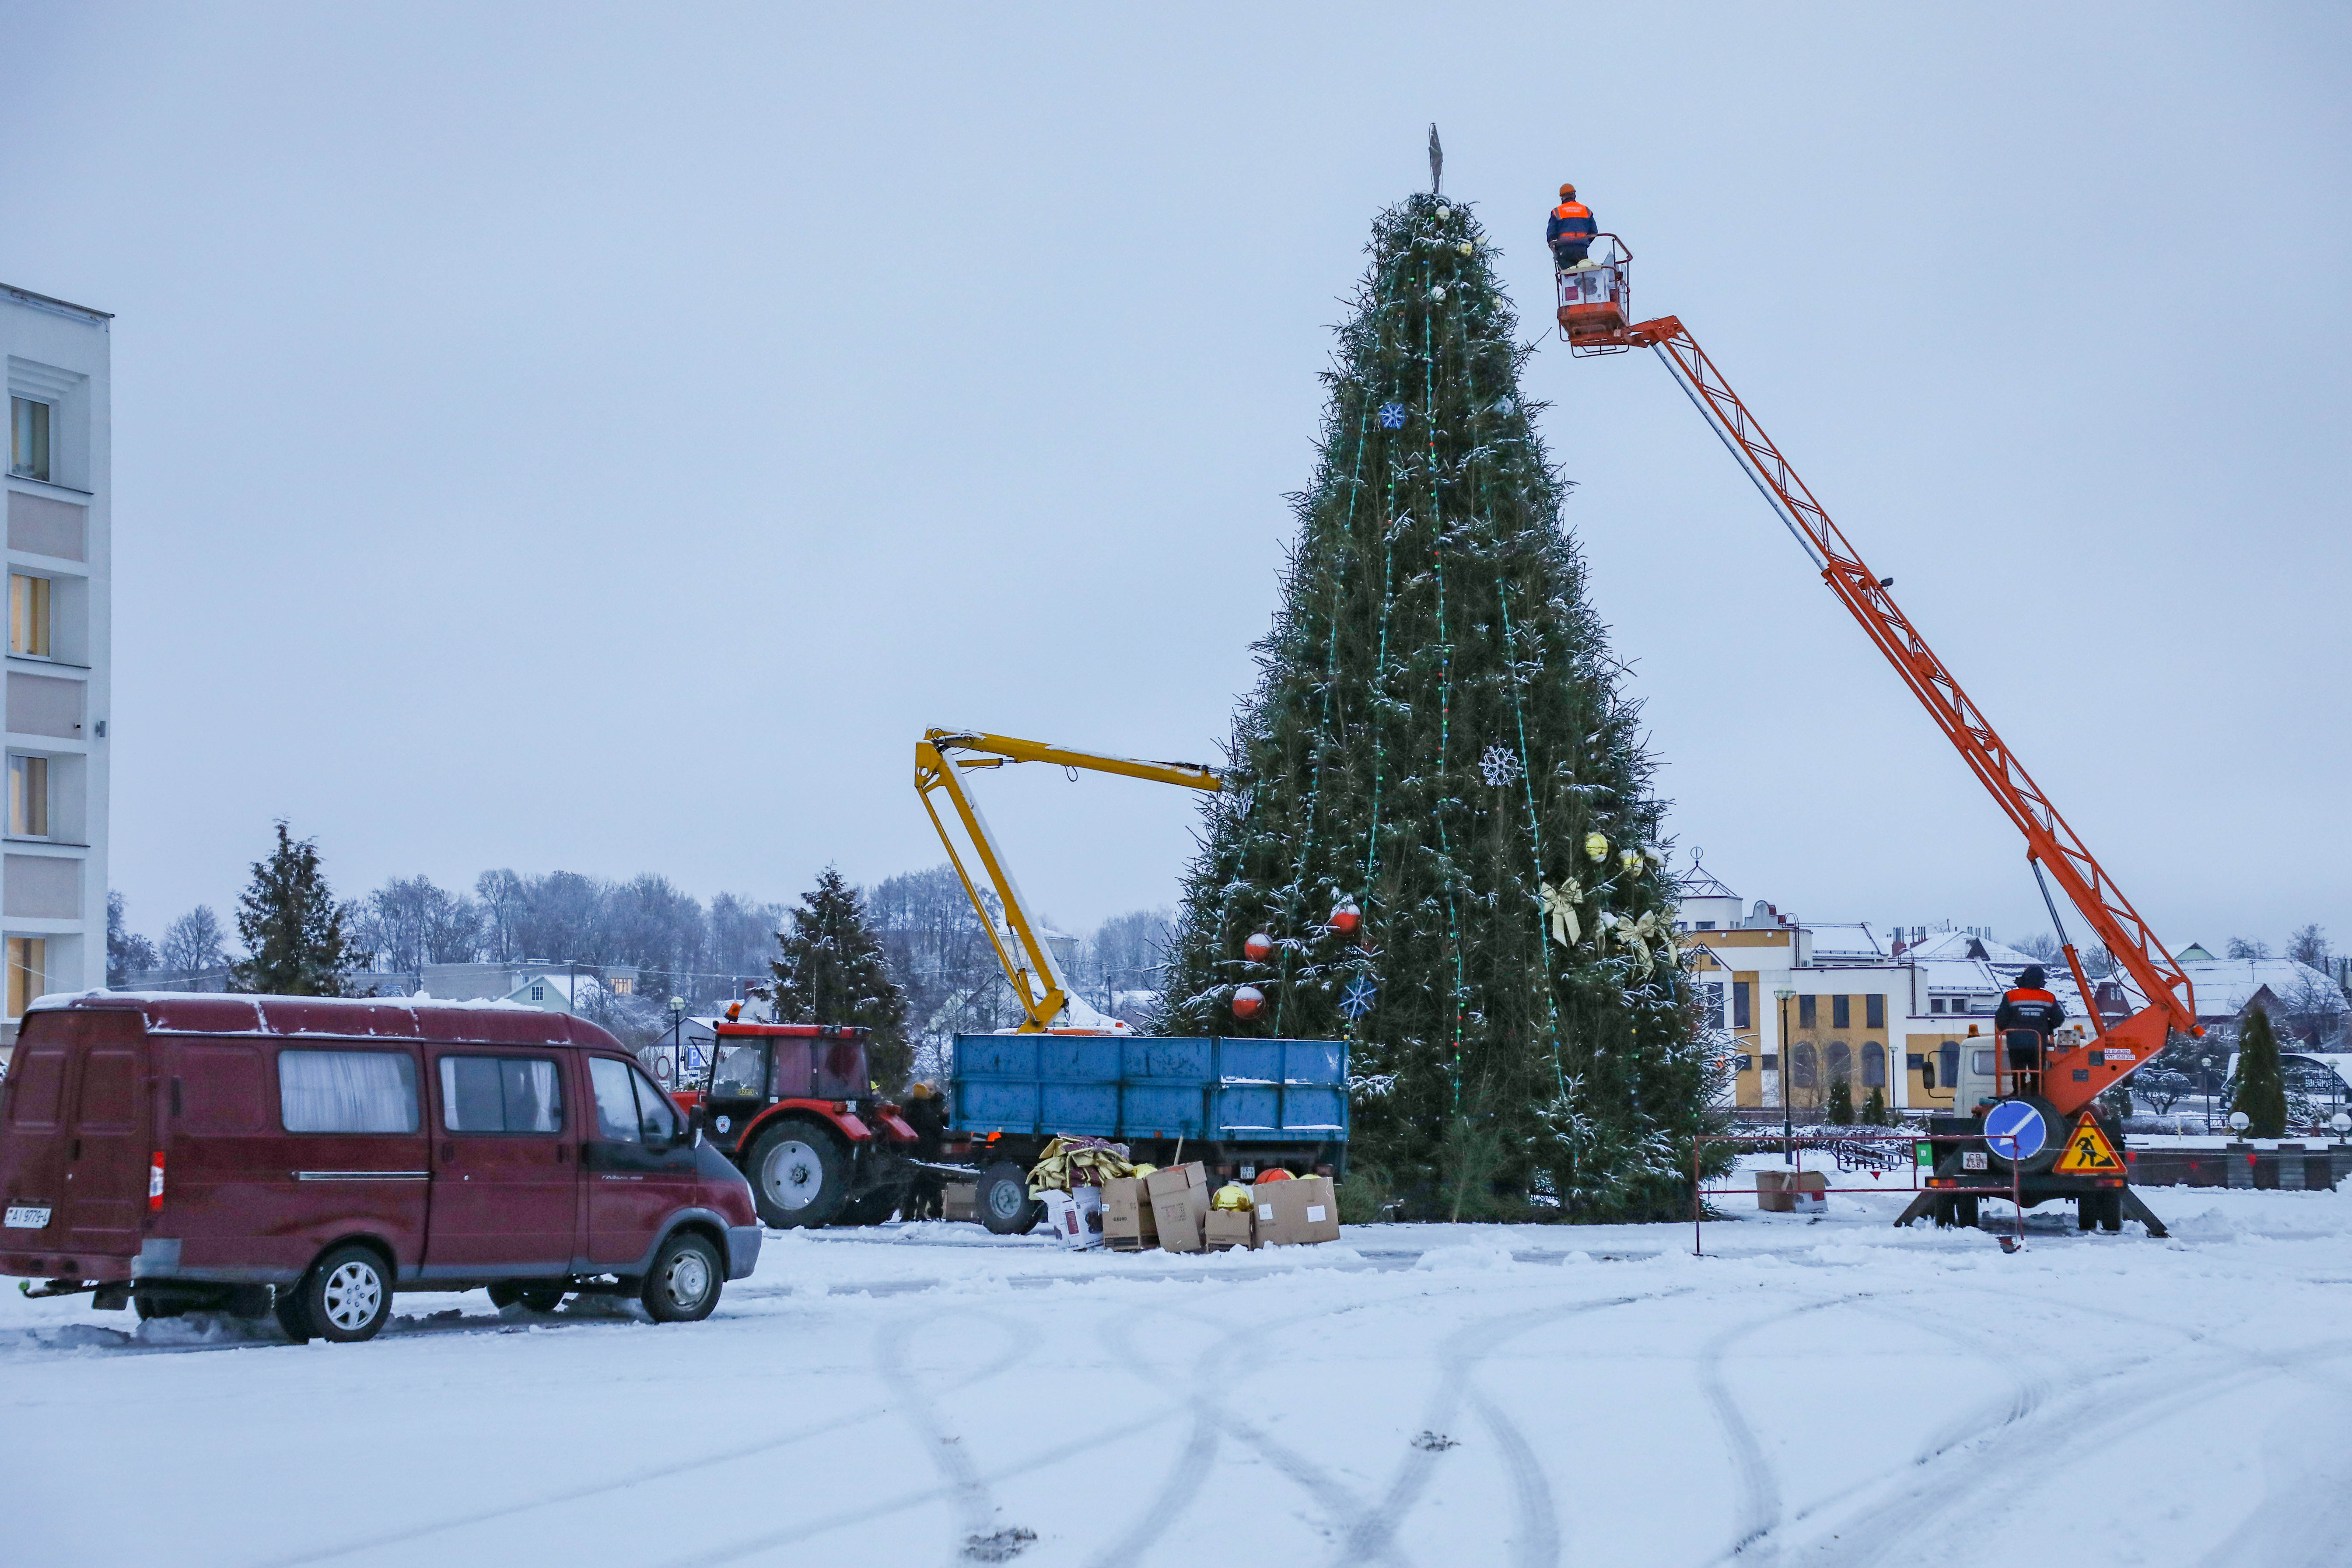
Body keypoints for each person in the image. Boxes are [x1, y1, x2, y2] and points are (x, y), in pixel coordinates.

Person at [1994, 965, 2067, 1092]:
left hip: (2016, 1045)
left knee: (2018, 1073)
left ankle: (2018, 1094)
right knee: (2037, 1074)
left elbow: (2001, 1020)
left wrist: (2009, 1030)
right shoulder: (2048, 997)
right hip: (2038, 1045)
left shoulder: (2011, 996)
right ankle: (2037, 1096)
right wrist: (2048, 1028)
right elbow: (2059, 1018)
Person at [903, 1081, 948, 1220]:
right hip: (928, 1151)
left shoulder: (906, 1108)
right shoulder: (927, 1110)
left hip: (912, 1150)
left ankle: (909, 1213)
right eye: (927, 1089)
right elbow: (938, 1129)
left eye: (932, 1089)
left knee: (913, 1183)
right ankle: (929, 1213)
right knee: (930, 1182)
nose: (929, 1092)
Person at [1548, 184, 1597, 270]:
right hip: (1581, 249)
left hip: (1564, 250)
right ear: (1574, 195)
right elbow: (1594, 232)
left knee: (1568, 276)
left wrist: (1555, 248)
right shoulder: (1586, 210)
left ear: (1562, 197)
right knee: (1583, 272)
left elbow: (1551, 235)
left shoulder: (1557, 212)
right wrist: (1584, 241)